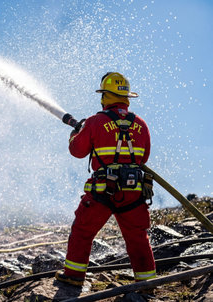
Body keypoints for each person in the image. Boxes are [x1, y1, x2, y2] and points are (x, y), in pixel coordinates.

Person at [55, 72, 156, 286]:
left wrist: (76, 134)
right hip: (133, 192)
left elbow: (77, 151)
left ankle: (73, 277)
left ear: (105, 97)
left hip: (103, 191)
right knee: (138, 237)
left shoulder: (95, 121)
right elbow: (143, 157)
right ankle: (147, 285)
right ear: (126, 97)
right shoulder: (141, 124)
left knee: (83, 231)